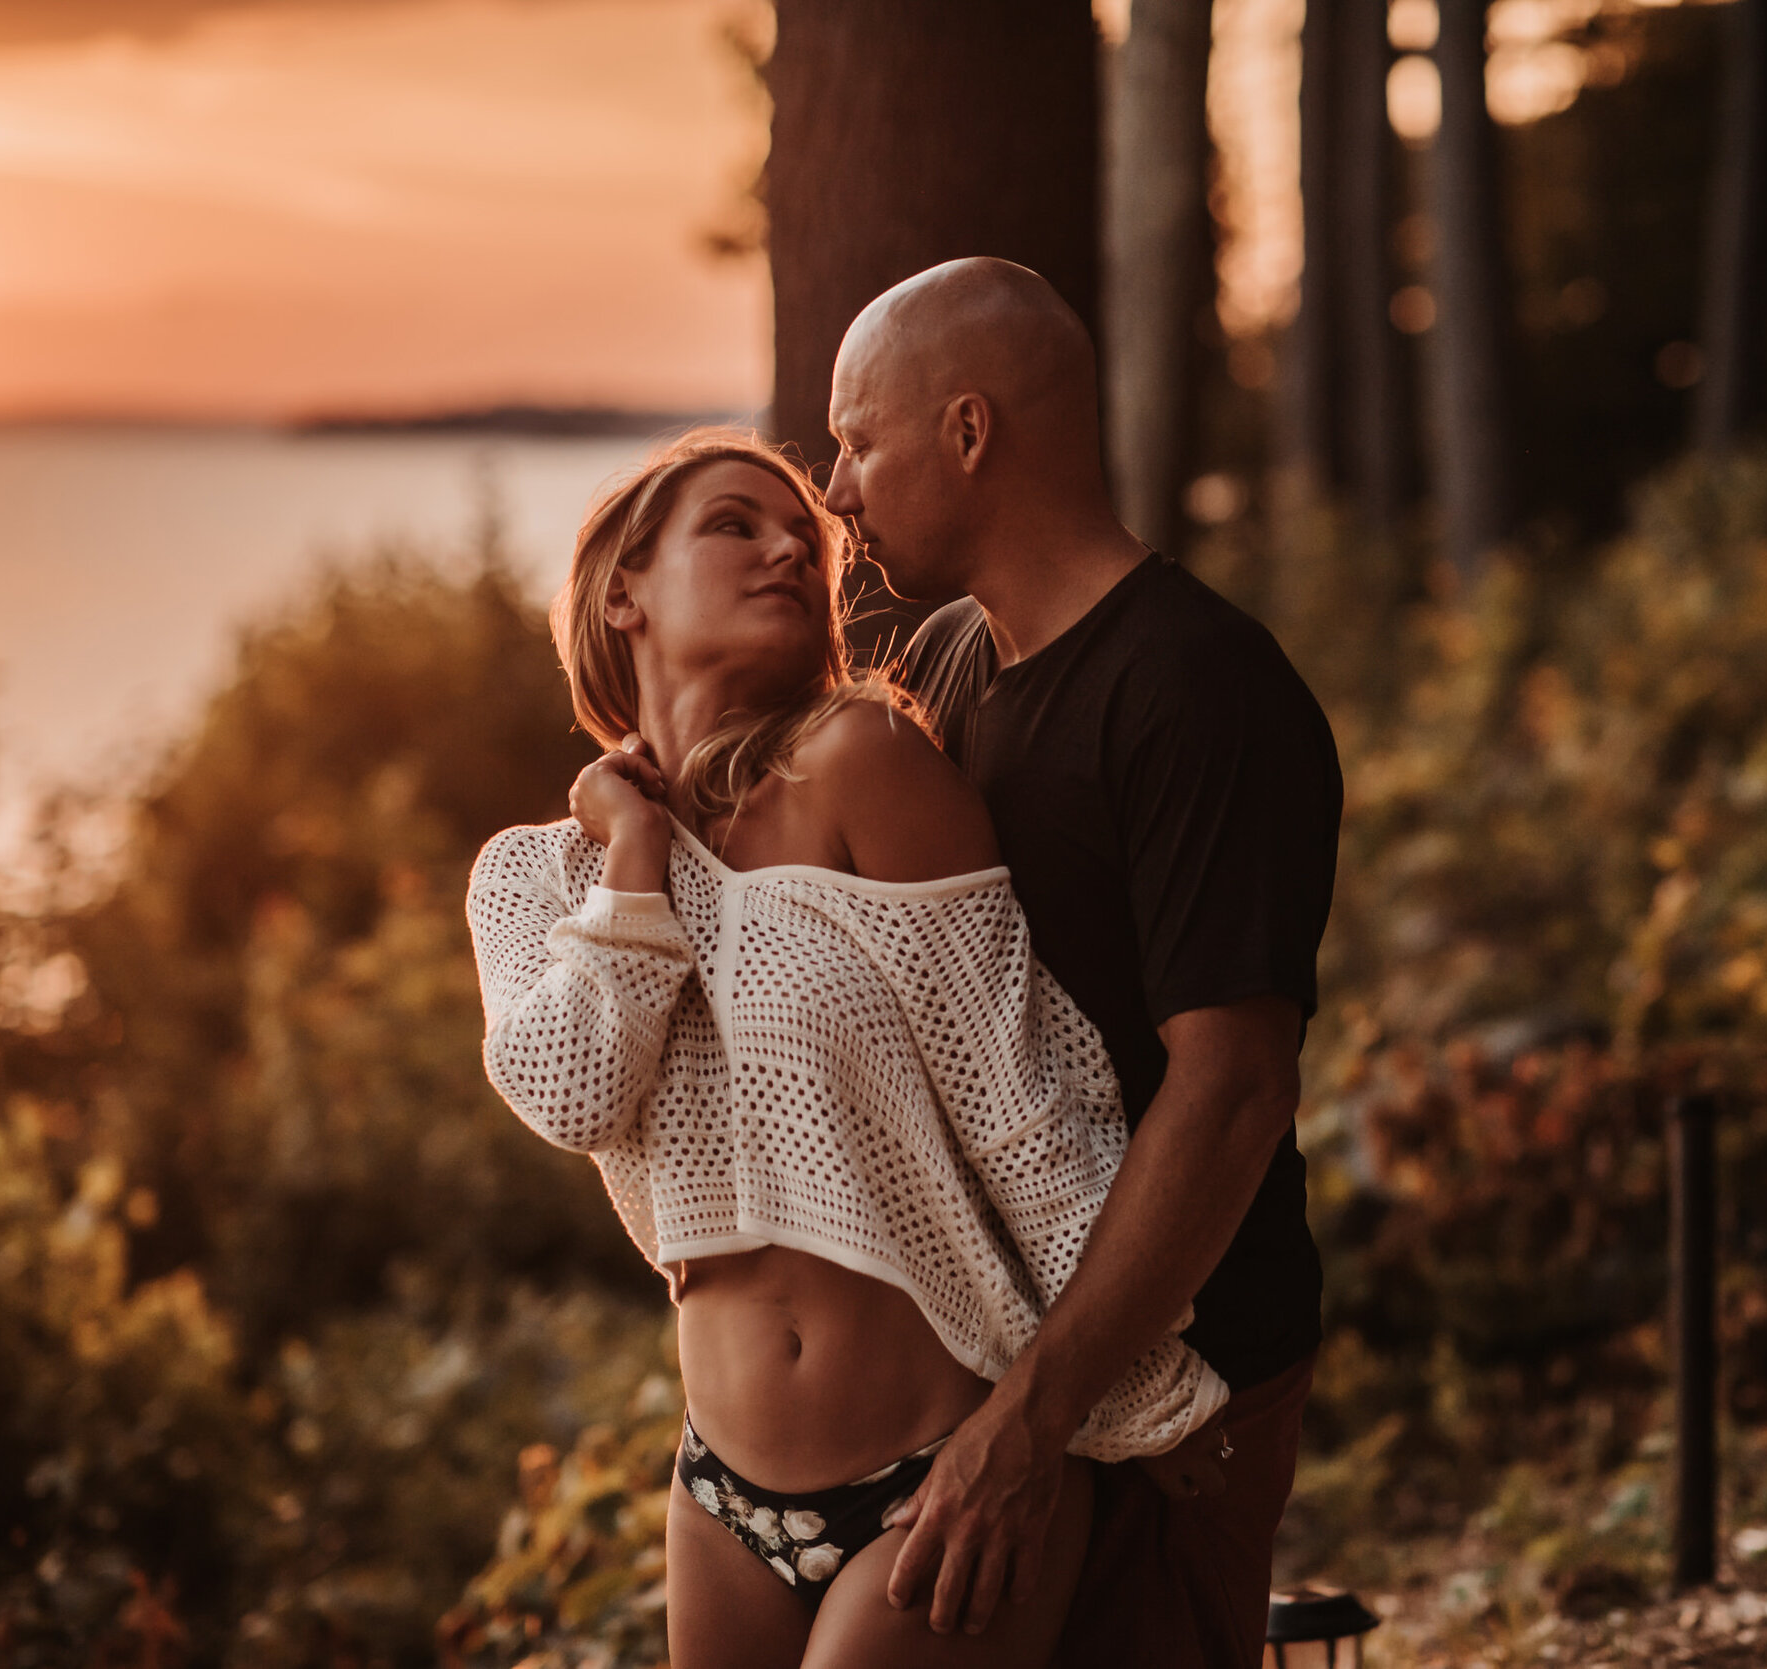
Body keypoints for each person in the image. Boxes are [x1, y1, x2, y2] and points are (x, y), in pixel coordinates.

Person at [466, 428, 1228, 1669]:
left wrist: (1125, 1389)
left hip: (945, 1464)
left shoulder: (860, 763)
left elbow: (1018, 1094)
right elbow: (573, 1090)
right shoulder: (534, 876)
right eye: (733, 525)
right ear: (623, 590)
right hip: (720, 1496)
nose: (786, 550)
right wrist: (635, 857)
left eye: (803, 542)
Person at [825, 257, 1343, 1668]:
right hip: (1008, 1365)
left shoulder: (1200, 691)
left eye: (858, 440)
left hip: (1177, 1383)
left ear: (970, 432)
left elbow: (1234, 1091)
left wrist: (1038, 1416)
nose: (837, 491)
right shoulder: (946, 668)